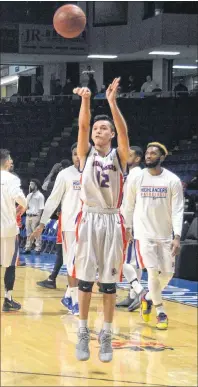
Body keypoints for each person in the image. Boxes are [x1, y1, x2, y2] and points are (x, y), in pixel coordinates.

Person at [73, 77, 130, 362]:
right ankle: (82, 331)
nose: (98, 130)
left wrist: (111, 102)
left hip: (111, 220)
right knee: (85, 281)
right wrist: (85, 101)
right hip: (89, 219)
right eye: (96, 128)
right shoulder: (85, 154)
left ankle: (105, 334)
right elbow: (83, 126)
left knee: (108, 285)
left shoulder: (120, 156)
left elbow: (123, 130)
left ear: (110, 134)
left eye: (103, 128)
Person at [124, 142, 184, 330]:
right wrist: (127, 227)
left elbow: (177, 211)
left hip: (165, 234)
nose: (149, 156)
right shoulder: (138, 178)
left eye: (153, 153)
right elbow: (129, 204)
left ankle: (147, 297)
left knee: (167, 274)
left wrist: (177, 236)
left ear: (162, 157)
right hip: (144, 234)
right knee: (152, 272)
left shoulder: (172, 180)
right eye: (147, 153)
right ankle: (161, 312)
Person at [31, 143, 81, 315]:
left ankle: (69, 295)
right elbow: (52, 200)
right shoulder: (65, 174)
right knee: (73, 264)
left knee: (84, 265)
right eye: (74, 153)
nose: (77, 156)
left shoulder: (93, 172)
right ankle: (74, 300)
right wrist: (42, 224)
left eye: (80, 153)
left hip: (90, 225)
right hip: (69, 226)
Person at [117, 146, 145, 311]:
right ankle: (133, 295)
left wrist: (129, 225)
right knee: (131, 261)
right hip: (128, 220)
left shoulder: (137, 175)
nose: (126, 155)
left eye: (130, 154)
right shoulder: (131, 175)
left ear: (137, 159)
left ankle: (138, 293)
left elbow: (133, 203)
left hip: (132, 222)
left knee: (129, 260)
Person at [0, 149, 27, 311]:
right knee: (10, 264)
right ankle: (7, 299)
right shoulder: (12, 179)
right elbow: (20, 197)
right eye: (10, 159)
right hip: (8, 229)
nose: (12, 162)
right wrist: (24, 205)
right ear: (5, 161)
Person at [23, 179, 45, 254]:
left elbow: (41, 208)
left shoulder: (40, 196)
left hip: (36, 216)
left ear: (36, 186)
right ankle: (28, 247)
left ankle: (38, 248)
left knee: (36, 233)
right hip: (28, 215)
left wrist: (39, 218)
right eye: (30, 184)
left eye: (32, 184)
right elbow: (25, 205)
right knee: (28, 233)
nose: (30, 186)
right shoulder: (29, 195)